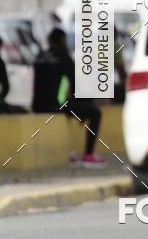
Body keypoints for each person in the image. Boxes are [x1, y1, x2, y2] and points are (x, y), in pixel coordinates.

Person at [43, 28, 106, 169]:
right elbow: (75, 83)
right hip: (58, 104)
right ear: (62, 41)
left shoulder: (41, 55)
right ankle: (88, 154)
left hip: (38, 104)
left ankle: (70, 151)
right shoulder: (63, 57)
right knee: (95, 112)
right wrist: (87, 104)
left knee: (79, 107)